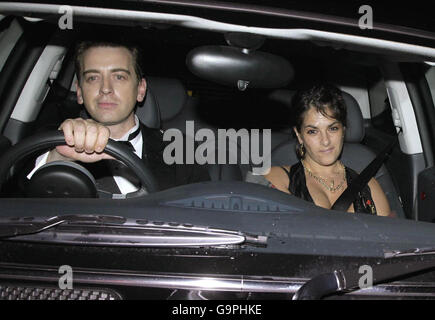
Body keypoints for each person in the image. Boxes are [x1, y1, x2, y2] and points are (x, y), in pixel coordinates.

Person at [27, 40, 210, 194]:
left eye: (119, 77)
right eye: (93, 78)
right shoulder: (50, 144)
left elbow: (204, 218)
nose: (105, 88)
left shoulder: (183, 151)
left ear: (140, 89)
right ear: (80, 92)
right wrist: (57, 159)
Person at [264, 84, 393, 216]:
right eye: (313, 131)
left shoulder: (369, 185)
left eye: (332, 128)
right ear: (299, 135)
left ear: (343, 129)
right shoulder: (278, 179)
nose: (325, 141)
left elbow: (388, 235)